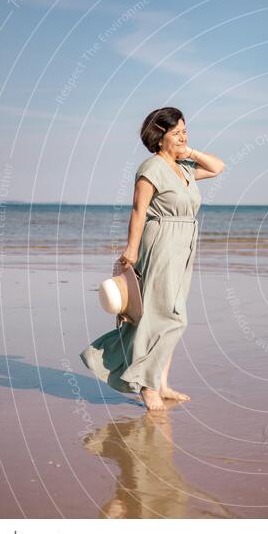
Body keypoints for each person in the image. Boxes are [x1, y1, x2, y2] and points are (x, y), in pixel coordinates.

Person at [80, 107, 224, 410]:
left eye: (185, 129)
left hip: (185, 243)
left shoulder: (184, 167)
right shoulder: (151, 168)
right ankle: (146, 386)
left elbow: (218, 167)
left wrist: (189, 150)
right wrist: (131, 249)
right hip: (160, 241)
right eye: (176, 132)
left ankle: (161, 382)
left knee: (170, 311)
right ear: (160, 138)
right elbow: (138, 211)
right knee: (166, 316)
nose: (184, 136)